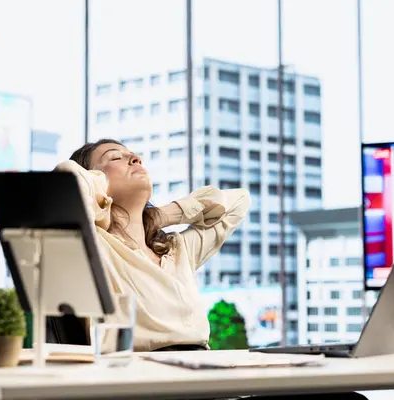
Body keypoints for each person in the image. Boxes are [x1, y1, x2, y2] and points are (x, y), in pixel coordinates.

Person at [56, 139, 369, 400]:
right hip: (150, 388)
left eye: (133, 154)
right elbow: (64, 179)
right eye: (116, 158)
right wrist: (105, 202)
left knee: (344, 398)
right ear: (94, 180)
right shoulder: (93, 244)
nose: (134, 158)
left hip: (208, 380)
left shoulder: (178, 249)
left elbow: (238, 202)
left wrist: (164, 216)